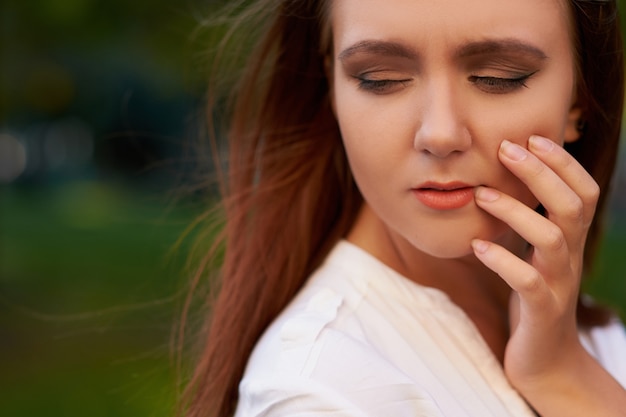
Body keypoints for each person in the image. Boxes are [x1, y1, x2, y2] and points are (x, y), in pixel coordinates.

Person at [182, 0, 626, 416]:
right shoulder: (318, 395)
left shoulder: (567, 319)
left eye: (499, 76)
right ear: (332, 92)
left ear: (579, 96)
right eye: (380, 78)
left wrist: (564, 371)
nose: (440, 134)